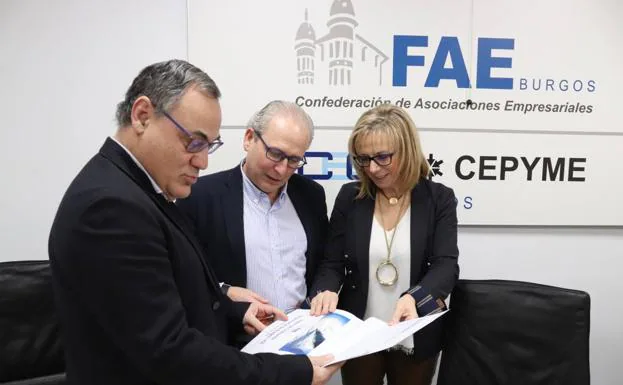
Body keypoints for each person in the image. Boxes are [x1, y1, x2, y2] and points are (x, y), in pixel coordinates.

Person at [47, 59, 340, 385]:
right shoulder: (110, 207)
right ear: (142, 115)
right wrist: (296, 372)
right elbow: (169, 350)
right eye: (194, 143)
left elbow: (173, 296)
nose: (202, 161)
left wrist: (236, 311)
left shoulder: (140, 192)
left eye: (209, 146)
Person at [325, 104, 460, 385]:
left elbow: (446, 265)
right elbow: (332, 263)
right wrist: (322, 290)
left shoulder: (439, 199)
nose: (372, 168)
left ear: (407, 149)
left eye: (382, 157)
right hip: (361, 333)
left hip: (415, 332)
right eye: (363, 159)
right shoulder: (350, 198)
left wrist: (415, 298)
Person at [177, 101, 341, 325]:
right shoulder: (200, 196)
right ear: (249, 138)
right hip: (235, 342)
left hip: (302, 336)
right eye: (275, 153)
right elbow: (183, 275)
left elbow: (324, 261)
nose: (282, 169)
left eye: (293, 160)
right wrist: (224, 291)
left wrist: (323, 292)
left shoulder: (311, 195)